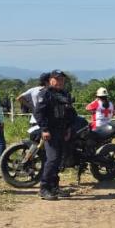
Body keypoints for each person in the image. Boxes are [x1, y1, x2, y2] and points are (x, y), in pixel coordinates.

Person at [34, 70, 76, 201]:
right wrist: (44, 129)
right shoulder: (45, 94)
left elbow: (69, 113)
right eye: (57, 79)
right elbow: (39, 113)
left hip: (62, 131)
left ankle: (54, 187)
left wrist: (68, 128)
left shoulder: (64, 94)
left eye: (62, 80)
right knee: (52, 159)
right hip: (50, 132)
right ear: (51, 80)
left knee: (59, 160)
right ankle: (44, 188)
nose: (60, 82)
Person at [18, 73, 50, 139]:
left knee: (34, 141)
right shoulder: (48, 91)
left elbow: (19, 98)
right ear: (47, 81)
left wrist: (31, 106)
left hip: (34, 119)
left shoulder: (33, 90)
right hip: (44, 121)